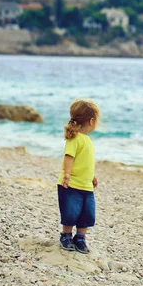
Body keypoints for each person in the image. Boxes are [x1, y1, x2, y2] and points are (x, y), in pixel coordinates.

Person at [57, 98, 100, 253]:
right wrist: (67, 174)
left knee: (87, 214)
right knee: (70, 212)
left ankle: (80, 238)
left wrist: (92, 176)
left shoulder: (87, 140)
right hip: (71, 183)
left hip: (86, 185)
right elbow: (69, 156)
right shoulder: (74, 138)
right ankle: (66, 236)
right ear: (91, 120)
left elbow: (86, 161)